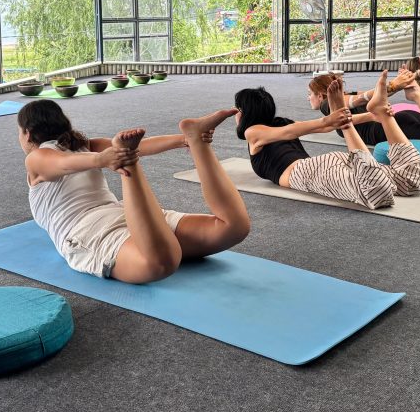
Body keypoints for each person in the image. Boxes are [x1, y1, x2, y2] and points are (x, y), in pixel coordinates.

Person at [18, 99, 250, 284]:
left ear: (27, 133)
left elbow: (62, 163)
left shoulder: (36, 157)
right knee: (231, 228)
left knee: (159, 263)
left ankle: (134, 159)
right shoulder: (83, 146)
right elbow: (66, 163)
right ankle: (155, 150)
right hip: (127, 216)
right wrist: (105, 157)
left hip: (91, 231)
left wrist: (185, 140)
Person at [235, 71, 420, 210]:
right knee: (410, 181)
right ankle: (380, 115)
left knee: (376, 192)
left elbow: (316, 127)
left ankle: (366, 115)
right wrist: (335, 118)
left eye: (238, 110)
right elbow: (296, 130)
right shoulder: (273, 127)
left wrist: (366, 116)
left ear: (245, 112)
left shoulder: (253, 131)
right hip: (328, 163)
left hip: (307, 172)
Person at [308, 55, 420, 151]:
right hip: (403, 120)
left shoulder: (328, 103)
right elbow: (373, 95)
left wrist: (395, 85)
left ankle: (418, 93)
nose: (308, 98)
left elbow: (358, 101)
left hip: (388, 129)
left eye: (310, 94)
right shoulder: (342, 101)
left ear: (321, 95)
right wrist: (398, 84)